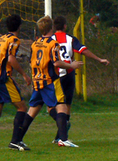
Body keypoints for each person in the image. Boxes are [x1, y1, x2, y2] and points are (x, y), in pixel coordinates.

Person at [18, 15, 83, 147]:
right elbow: (56, 62)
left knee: (33, 110)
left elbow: (31, 61)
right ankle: (63, 139)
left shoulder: (35, 43)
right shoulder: (53, 44)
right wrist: (72, 65)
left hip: (37, 80)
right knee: (62, 106)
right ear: (51, 28)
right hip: (50, 80)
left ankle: (17, 139)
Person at [50, 15, 109, 143]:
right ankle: (61, 133)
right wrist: (99, 59)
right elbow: (83, 50)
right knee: (67, 106)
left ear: (54, 27)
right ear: (65, 26)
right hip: (69, 73)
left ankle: (62, 132)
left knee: (52, 107)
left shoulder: (50, 40)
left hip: (56, 75)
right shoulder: (70, 39)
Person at [0, 15, 31, 152]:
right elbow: (10, 59)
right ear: (19, 26)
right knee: (22, 107)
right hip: (3, 79)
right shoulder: (14, 40)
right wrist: (24, 75)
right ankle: (15, 141)